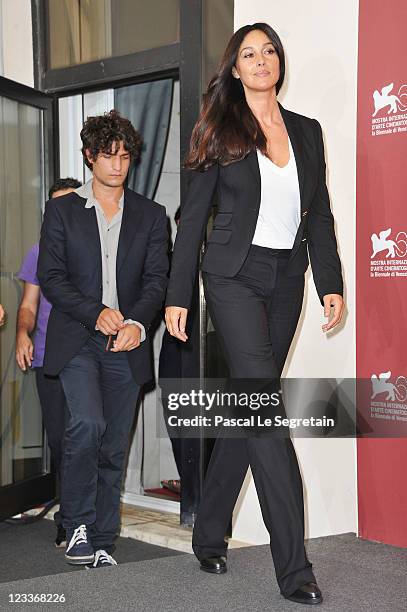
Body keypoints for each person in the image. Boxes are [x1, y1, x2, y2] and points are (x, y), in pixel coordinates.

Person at [165, 23, 344, 605]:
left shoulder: (309, 132)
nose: (262, 60)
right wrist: (177, 294)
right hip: (232, 277)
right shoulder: (219, 128)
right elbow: (192, 218)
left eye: (269, 51)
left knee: (249, 403)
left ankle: (208, 532)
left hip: (286, 280)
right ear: (235, 69)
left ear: (278, 63)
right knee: (266, 408)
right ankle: (293, 568)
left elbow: (318, 215)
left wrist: (330, 285)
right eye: (249, 53)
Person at [38, 110, 168, 568]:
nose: (117, 164)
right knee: (87, 424)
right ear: (90, 156)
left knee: (114, 441)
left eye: (125, 156)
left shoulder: (152, 216)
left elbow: (158, 280)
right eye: (108, 155)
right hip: (77, 338)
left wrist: (136, 324)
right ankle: (74, 524)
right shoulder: (61, 210)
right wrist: (97, 314)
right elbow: (51, 278)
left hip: (127, 342)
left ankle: (102, 535)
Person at [16, 177, 82, 547]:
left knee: (87, 437)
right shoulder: (39, 252)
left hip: (90, 357)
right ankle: (68, 516)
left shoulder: (96, 250)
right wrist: (22, 334)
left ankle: (81, 517)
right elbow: (28, 306)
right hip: (48, 358)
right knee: (61, 441)